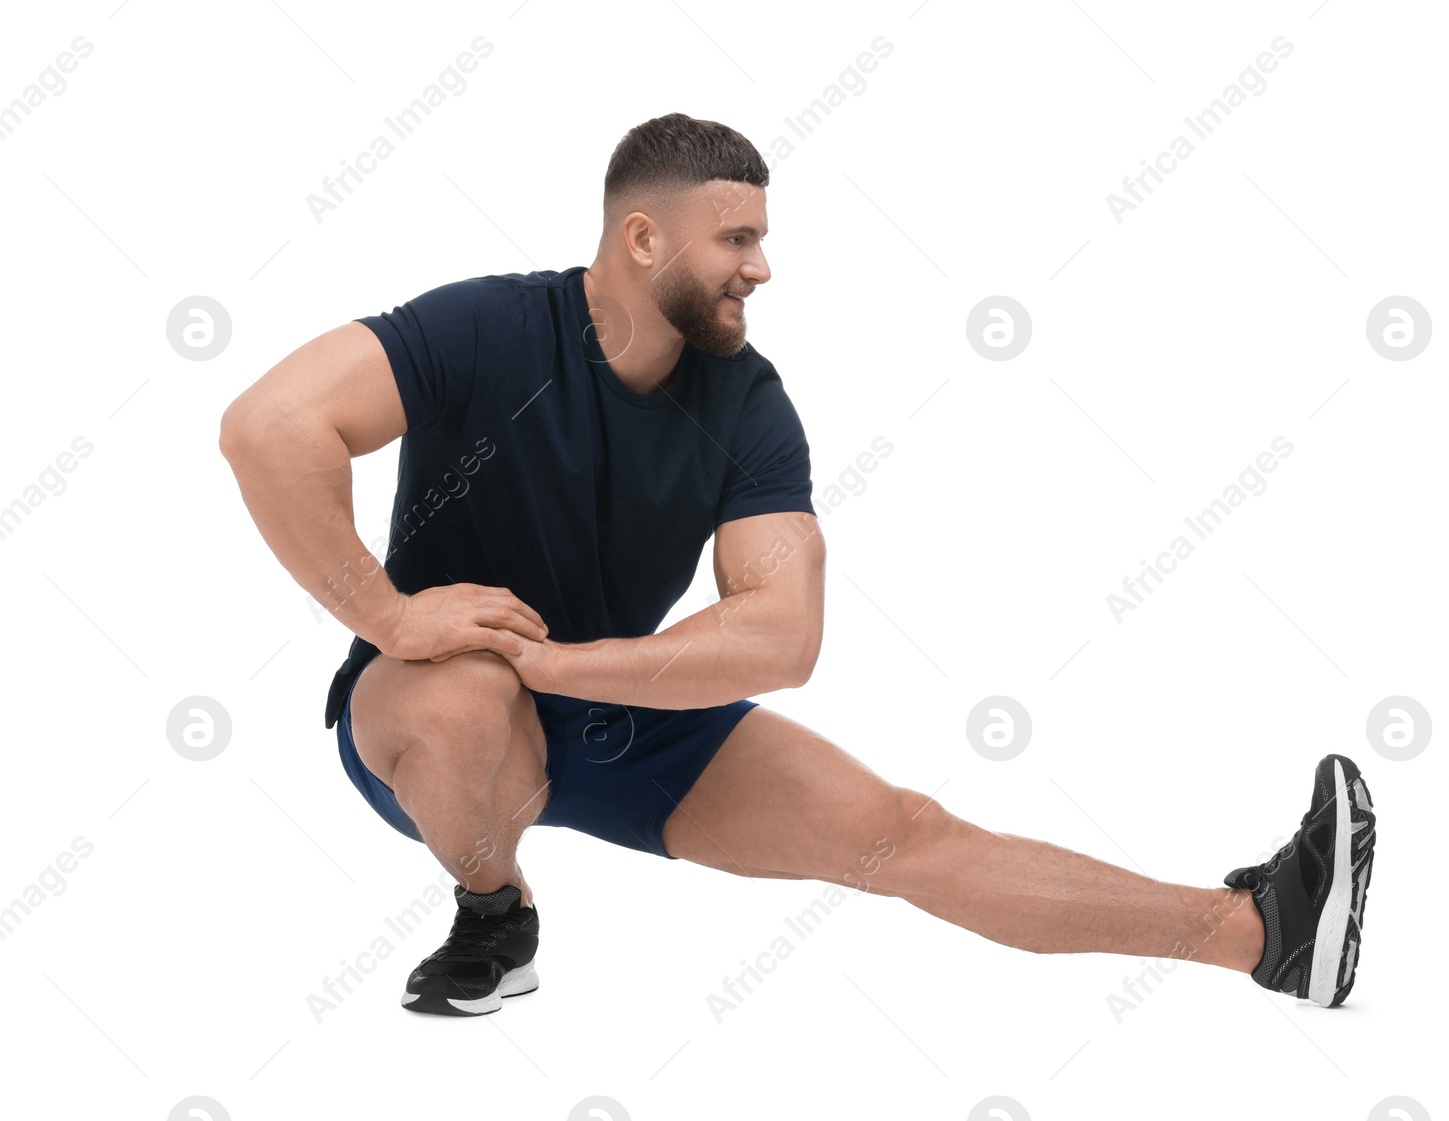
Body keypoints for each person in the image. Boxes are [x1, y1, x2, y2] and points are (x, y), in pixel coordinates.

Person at [219, 112, 1376, 1018]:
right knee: (471, 690)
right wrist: (392, 613)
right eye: (737, 238)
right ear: (642, 239)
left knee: (903, 830)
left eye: (761, 238)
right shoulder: (484, 328)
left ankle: (1262, 932)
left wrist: (569, 666)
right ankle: (493, 911)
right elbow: (268, 425)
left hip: (616, 703)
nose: (761, 267)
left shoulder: (749, 406)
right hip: (425, 714)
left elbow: (781, 638)